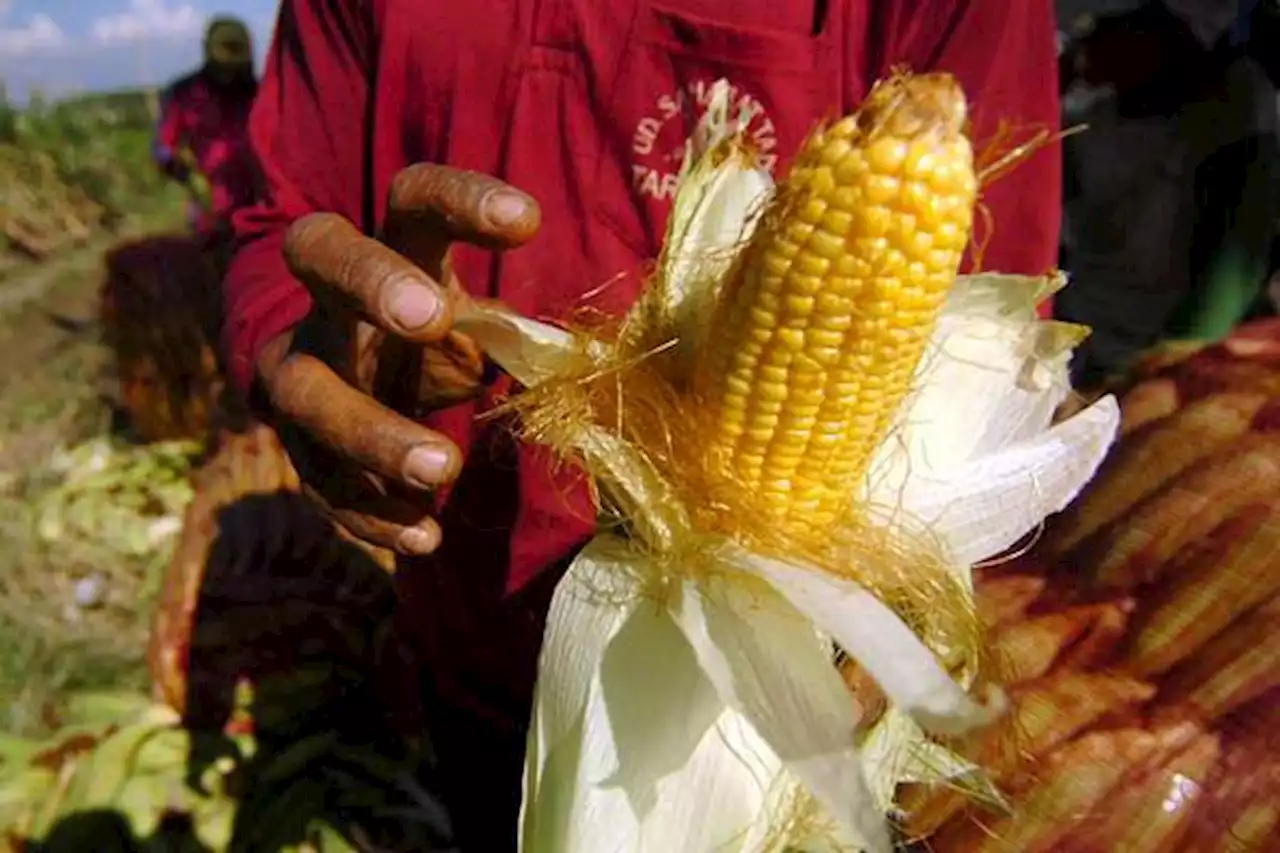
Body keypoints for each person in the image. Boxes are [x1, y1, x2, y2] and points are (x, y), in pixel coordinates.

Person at [224, 0, 1062, 847]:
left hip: (771, 716)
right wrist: (296, 341)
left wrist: (891, 622)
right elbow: (277, 223)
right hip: (463, 628)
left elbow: (983, 355)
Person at [154, 15, 261, 235]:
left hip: (260, 209)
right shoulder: (184, 94)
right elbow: (162, 147)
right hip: (209, 215)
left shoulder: (263, 94)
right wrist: (180, 169)